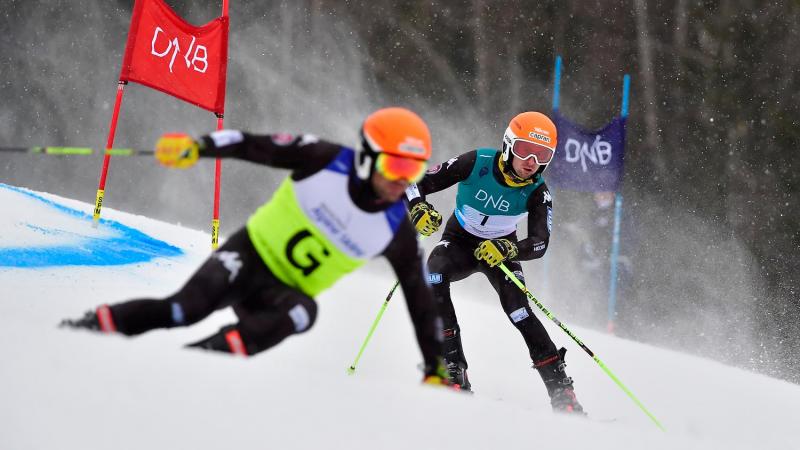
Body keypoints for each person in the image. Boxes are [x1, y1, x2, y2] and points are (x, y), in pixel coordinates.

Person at [61, 107, 452, 386]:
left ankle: (187, 369)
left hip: (284, 294)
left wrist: (435, 366)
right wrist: (198, 146)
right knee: (183, 310)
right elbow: (250, 144)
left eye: (413, 171)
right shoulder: (324, 159)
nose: (402, 182)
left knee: (305, 313)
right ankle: (84, 329)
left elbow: (420, 300)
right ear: (367, 156)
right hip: (248, 258)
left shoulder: (396, 228)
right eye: (395, 167)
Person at [406, 111, 584, 412]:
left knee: (519, 313)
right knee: (433, 274)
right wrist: (418, 208)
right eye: (526, 150)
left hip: (500, 252)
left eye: (543, 155)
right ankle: (452, 369)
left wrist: (508, 249)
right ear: (509, 145)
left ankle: (561, 391)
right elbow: (416, 183)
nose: (532, 161)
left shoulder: (538, 192)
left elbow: (540, 243)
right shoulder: (477, 162)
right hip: (459, 242)